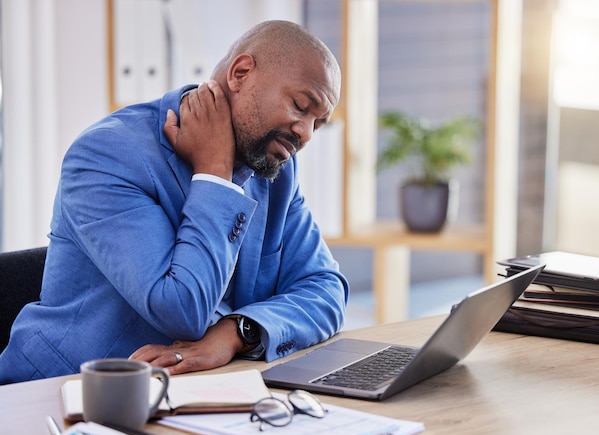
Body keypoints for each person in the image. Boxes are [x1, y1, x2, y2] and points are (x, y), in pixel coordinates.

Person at [0, 20, 348, 383]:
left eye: (318, 123)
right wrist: (215, 173)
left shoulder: (275, 171)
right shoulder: (107, 155)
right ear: (241, 74)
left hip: (194, 392)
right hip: (62, 394)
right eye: (299, 106)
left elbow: (325, 289)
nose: (305, 133)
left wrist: (235, 333)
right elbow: (182, 308)